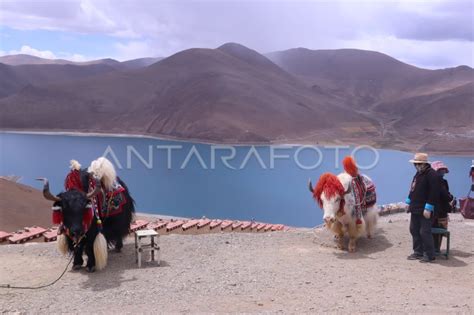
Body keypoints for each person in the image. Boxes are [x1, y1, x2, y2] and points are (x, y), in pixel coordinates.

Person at [405, 153, 440, 263]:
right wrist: (408, 201)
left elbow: (434, 192)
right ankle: (418, 252)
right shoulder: (418, 174)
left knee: (424, 231)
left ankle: (429, 255)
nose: (415, 165)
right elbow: (413, 188)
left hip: (425, 209)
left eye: (417, 163)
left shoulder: (432, 175)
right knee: (414, 229)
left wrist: (428, 207)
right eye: (415, 164)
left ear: (423, 164)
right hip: (415, 207)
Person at [430, 161, 454, 254]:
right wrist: (450, 197)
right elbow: (446, 196)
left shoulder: (433, 181)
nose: (442, 172)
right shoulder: (441, 182)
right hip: (441, 210)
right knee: (439, 229)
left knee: (433, 228)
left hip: (433, 210)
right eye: (441, 170)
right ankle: (436, 248)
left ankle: (433, 248)